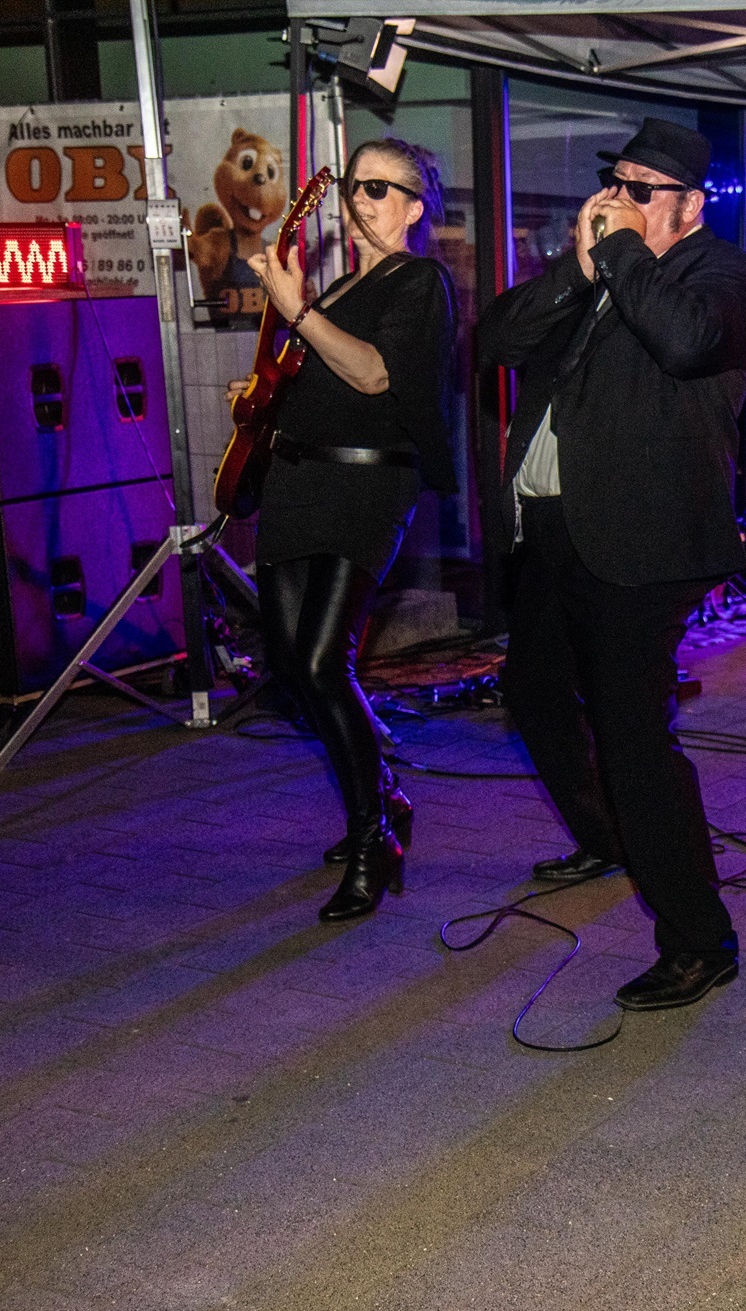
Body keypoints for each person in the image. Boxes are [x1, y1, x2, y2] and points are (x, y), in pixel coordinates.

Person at [478, 118, 746, 1012]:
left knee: (635, 739)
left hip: (644, 542)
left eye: (642, 190)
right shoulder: (595, 272)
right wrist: (577, 269)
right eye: (616, 184)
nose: (617, 201)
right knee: (533, 691)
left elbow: (685, 342)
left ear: (690, 205)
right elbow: (497, 340)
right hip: (556, 529)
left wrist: (623, 253)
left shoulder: (723, 273)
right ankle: (610, 837)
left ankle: (698, 938)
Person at [228, 137, 456, 924]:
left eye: (380, 188)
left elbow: (372, 373)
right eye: (355, 186)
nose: (361, 199)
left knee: (326, 659)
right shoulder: (337, 288)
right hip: (296, 482)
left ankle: (373, 837)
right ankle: (383, 795)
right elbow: (318, 375)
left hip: (366, 486)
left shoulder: (419, 281)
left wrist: (297, 309)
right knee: (292, 665)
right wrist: (263, 393)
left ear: (415, 208)